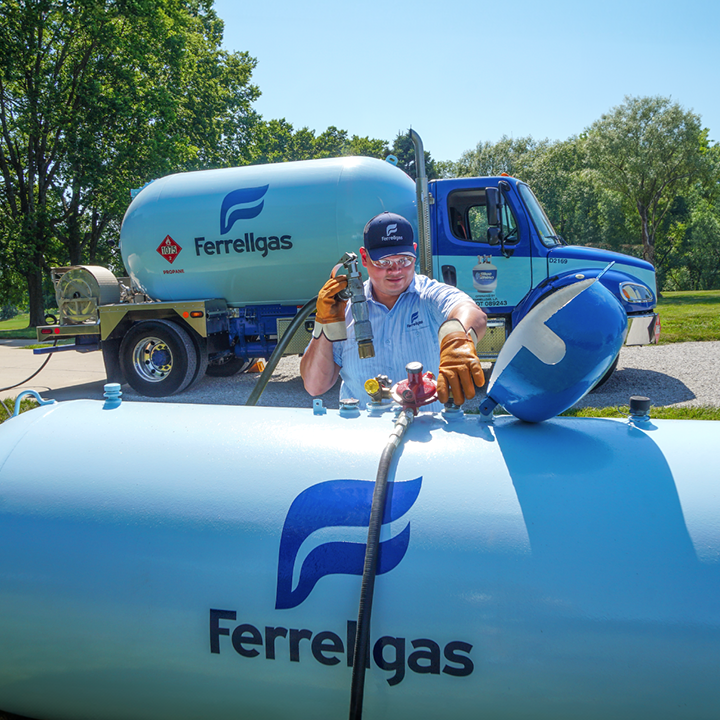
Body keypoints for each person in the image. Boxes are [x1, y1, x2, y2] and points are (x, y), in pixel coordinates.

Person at [300, 212, 487, 409]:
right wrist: (325, 324)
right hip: (362, 427)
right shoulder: (344, 310)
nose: (395, 270)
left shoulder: (429, 296)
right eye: (384, 262)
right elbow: (315, 386)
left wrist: (457, 339)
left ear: (414, 252)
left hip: (428, 427)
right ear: (364, 258)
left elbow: (471, 311)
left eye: (404, 260)